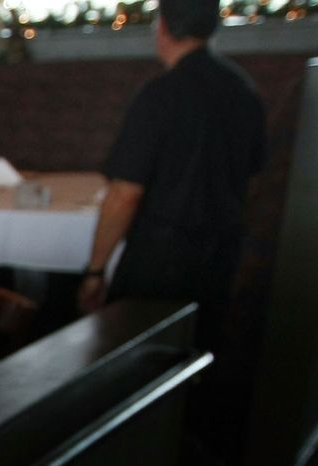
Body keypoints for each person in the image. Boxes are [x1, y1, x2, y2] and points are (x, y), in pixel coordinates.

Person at [75, 0, 265, 358]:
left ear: (161, 27)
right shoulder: (243, 89)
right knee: (201, 357)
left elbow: (124, 195)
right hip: (221, 253)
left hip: (160, 263)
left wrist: (95, 271)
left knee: (136, 364)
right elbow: (253, 179)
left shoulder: (159, 95)